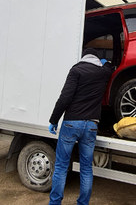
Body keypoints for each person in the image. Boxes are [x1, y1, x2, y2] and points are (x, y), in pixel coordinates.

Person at [48, 48, 113, 205]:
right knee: (86, 168)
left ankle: (55, 203)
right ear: (96, 59)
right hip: (91, 125)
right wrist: (105, 63)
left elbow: (65, 98)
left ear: (84, 57)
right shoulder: (103, 72)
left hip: (71, 122)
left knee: (61, 167)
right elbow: (110, 66)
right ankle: (83, 203)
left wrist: (54, 120)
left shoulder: (76, 70)